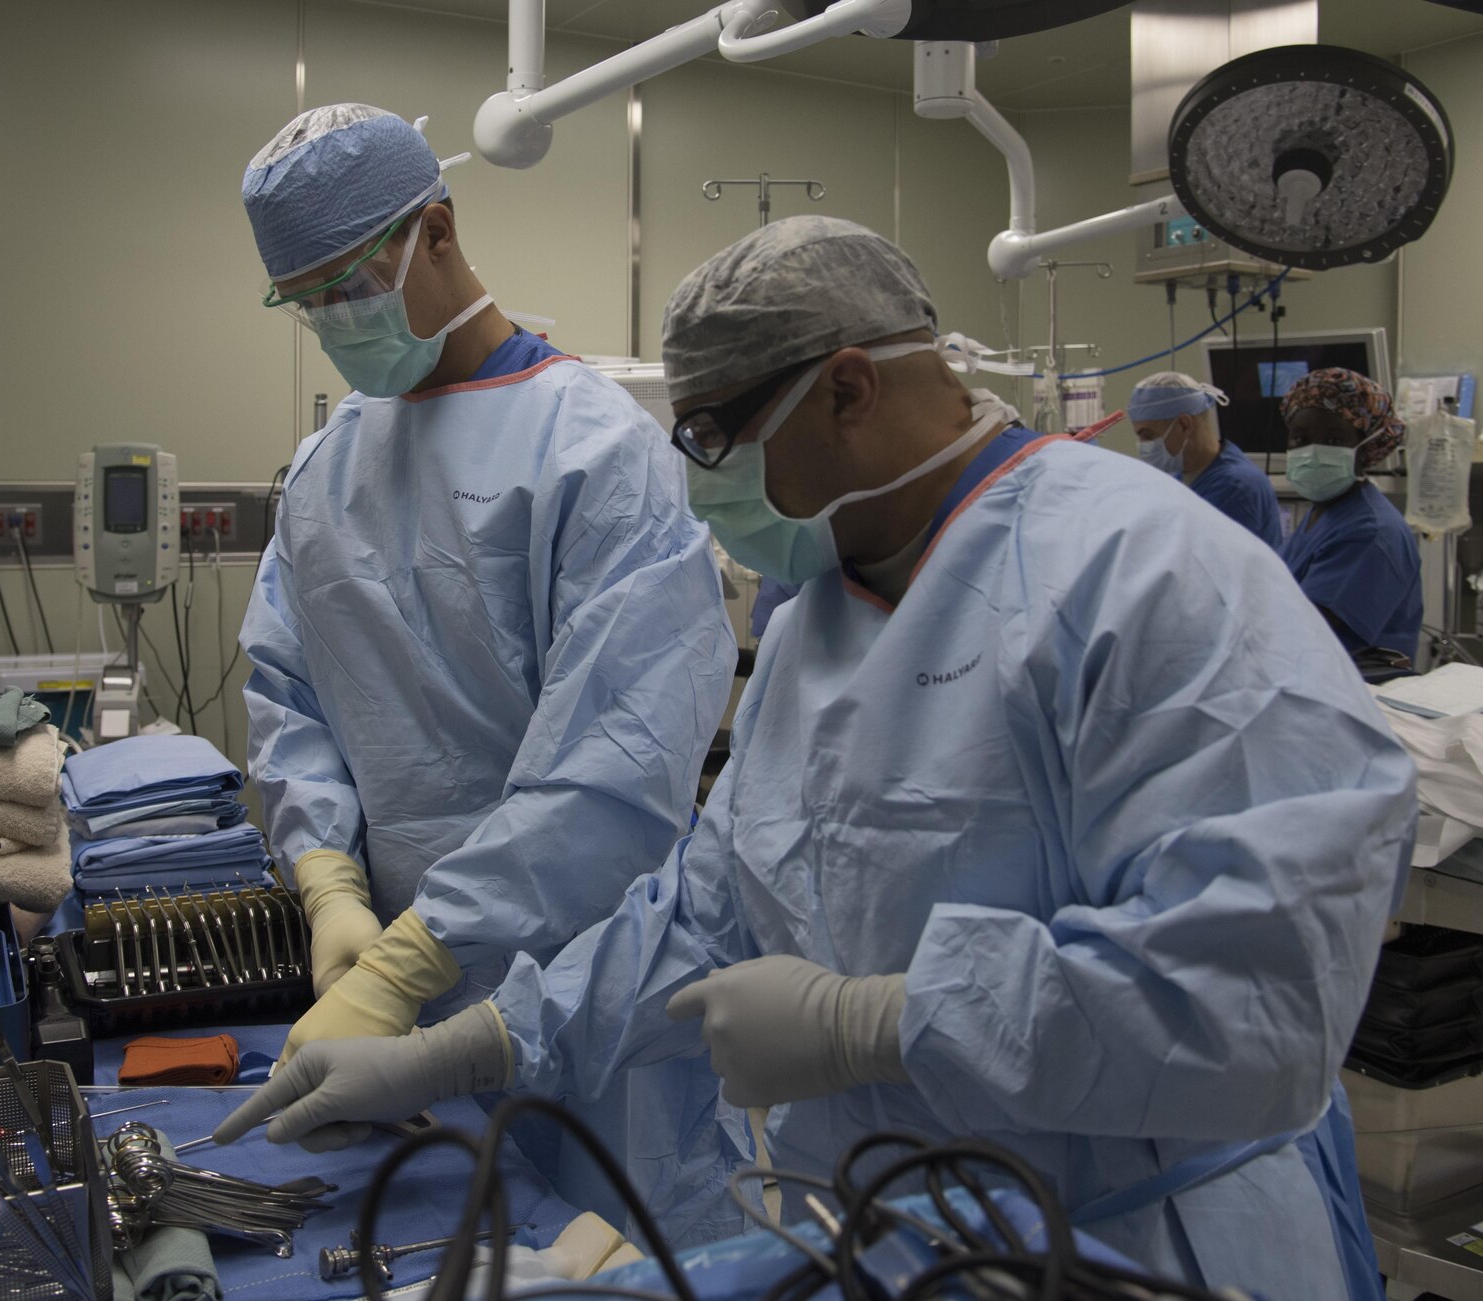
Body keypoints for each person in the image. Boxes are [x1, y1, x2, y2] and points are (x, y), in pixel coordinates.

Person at [216, 218, 1415, 1301]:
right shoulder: (816, 617)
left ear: (846, 387)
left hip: (1145, 1248)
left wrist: (875, 1023)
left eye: (713, 435)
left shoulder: (1146, 576)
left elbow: (1257, 1001)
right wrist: (459, 1043)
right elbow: (704, 911)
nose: (698, 481)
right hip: (903, 1239)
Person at [237, 105, 744, 1242]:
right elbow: (288, 687)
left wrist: (418, 958)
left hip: (581, 974)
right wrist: (327, 882)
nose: (332, 318)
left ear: (438, 228)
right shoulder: (325, 466)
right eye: (305, 299)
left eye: (349, 284)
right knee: (432, 1245)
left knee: (611, 1244)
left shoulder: (594, 451)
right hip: (386, 963)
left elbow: (611, 767)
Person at [1280, 368, 1424, 665]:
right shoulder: (1324, 512)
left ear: (1366, 447)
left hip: (1361, 689)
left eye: (1333, 441)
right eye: (1300, 438)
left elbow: (1308, 631)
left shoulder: (1371, 532)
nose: (1312, 452)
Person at [1128, 370, 1283, 548]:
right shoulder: (1185, 476)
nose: (1142, 445)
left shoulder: (1235, 487)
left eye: (1148, 436)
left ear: (1184, 425)